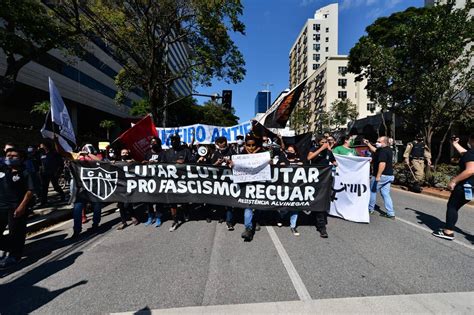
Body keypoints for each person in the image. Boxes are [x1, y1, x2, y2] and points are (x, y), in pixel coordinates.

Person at [55, 140, 103, 237]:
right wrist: (56, 141)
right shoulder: (76, 156)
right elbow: (61, 152)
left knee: (97, 206)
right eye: (84, 147)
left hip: (94, 187)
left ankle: (95, 224)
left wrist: (88, 155)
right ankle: (77, 230)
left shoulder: (96, 156)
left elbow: (100, 162)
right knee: (77, 208)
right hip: (80, 188)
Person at [432, 134, 474, 240]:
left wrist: (454, 181)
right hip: (471, 186)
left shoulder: (471, 153)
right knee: (455, 207)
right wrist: (455, 144)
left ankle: (448, 232)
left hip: (465, 185)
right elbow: (465, 154)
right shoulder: (470, 153)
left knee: (452, 206)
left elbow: (470, 170)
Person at [0, 147, 35, 268]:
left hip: (16, 208)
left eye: (13, 156)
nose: (9, 157)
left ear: (22, 159)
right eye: (7, 155)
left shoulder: (26, 173)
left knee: (16, 233)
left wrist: (22, 207)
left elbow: (30, 191)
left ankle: (14, 256)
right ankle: (13, 247)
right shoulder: (2, 171)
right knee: (12, 238)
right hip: (1, 207)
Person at [231, 134, 263, 241]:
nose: (251, 147)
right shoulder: (240, 156)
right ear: (245, 145)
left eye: (253, 145)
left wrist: (270, 162)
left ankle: (257, 220)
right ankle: (248, 229)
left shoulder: (262, 155)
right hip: (246, 186)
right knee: (248, 206)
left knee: (258, 205)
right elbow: (235, 167)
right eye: (249, 145)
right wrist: (232, 165)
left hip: (259, 184)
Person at [162, 134, 193, 231]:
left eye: (176, 140)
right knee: (173, 201)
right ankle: (175, 220)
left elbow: (193, 162)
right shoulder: (166, 152)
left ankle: (186, 212)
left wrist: (184, 162)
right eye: (172, 140)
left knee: (184, 199)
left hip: (183, 180)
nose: (174, 142)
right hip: (171, 180)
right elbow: (162, 165)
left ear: (179, 141)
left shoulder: (186, 151)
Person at [306, 136, 333, 238]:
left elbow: (334, 162)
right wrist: (321, 149)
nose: (325, 144)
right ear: (318, 143)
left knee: (321, 202)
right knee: (314, 200)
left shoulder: (329, 152)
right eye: (322, 142)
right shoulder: (314, 149)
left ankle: (322, 227)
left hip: (325, 181)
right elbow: (309, 158)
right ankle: (314, 217)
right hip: (315, 180)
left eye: (326, 142)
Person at [365, 137, 395, 219]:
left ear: (384, 142)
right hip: (389, 176)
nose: (377, 142)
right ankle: (391, 213)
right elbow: (375, 150)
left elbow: (382, 164)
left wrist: (378, 176)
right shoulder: (386, 149)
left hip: (382, 175)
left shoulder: (383, 151)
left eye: (379, 141)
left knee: (372, 191)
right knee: (385, 193)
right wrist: (368, 144)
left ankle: (370, 209)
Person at [277, 145, 303, 236]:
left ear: (295, 152)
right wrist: (280, 166)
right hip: (285, 187)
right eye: (288, 150)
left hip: (296, 188)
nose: (289, 152)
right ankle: (281, 217)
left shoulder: (299, 161)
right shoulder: (283, 160)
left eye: (291, 151)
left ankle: (293, 226)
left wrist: (302, 166)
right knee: (284, 206)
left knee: (294, 207)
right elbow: (276, 171)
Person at [210, 137, 235, 230]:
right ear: (217, 143)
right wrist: (217, 162)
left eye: (223, 142)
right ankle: (221, 216)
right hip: (219, 181)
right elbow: (210, 167)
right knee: (220, 201)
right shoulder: (215, 154)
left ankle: (229, 222)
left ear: (226, 142)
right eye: (219, 142)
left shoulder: (232, 152)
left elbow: (237, 163)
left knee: (229, 202)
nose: (222, 144)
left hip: (230, 181)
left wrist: (229, 161)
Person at [143, 137, 165, 227]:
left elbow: (165, 164)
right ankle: (150, 217)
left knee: (158, 199)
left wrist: (157, 162)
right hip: (148, 179)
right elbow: (143, 163)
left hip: (158, 179)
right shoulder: (147, 153)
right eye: (152, 142)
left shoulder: (162, 153)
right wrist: (146, 162)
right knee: (149, 200)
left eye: (155, 142)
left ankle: (158, 217)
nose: (153, 143)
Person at [116, 149, 139, 230]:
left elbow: (139, 167)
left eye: (126, 153)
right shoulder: (117, 162)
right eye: (123, 153)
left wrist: (133, 162)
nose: (125, 154)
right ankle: (123, 222)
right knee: (121, 204)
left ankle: (133, 216)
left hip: (129, 184)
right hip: (120, 185)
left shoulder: (132, 161)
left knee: (128, 202)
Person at [38, 140, 65, 205]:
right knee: (44, 188)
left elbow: (61, 163)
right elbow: (40, 163)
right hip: (44, 174)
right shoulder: (42, 154)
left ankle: (62, 195)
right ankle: (43, 201)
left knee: (55, 186)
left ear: (46, 146)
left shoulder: (54, 154)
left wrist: (58, 172)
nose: (41, 147)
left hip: (53, 173)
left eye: (42, 145)